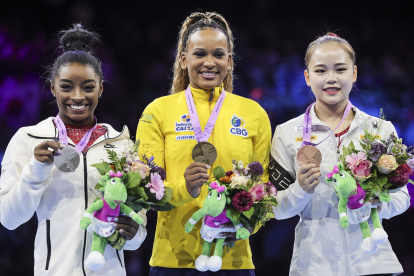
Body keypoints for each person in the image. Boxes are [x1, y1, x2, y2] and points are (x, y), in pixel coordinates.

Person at [0, 24, 146, 276]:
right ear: (52, 87)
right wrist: (35, 171)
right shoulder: (28, 139)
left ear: (100, 88)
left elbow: (137, 232)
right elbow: (9, 219)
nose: (77, 96)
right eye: (66, 87)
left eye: (88, 87)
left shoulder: (122, 143)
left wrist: (133, 233)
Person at [136, 11, 271, 276]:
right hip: (172, 260)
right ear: (184, 59)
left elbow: (264, 191)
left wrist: (243, 225)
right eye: (199, 54)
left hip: (233, 259)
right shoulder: (157, 112)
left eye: (218, 54)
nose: (209, 62)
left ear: (229, 61)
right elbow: (146, 189)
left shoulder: (254, 113)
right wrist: (184, 188)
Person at [269, 33, 410, 276]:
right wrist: (300, 189)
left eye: (340, 69)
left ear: (354, 74)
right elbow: (276, 208)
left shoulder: (380, 129)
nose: (331, 78)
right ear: (307, 77)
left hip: (373, 264)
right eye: (321, 71)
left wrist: (377, 202)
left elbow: (402, 197)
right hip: (314, 266)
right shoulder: (286, 132)